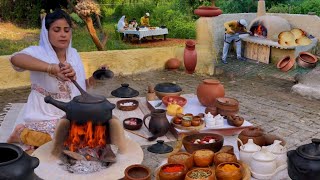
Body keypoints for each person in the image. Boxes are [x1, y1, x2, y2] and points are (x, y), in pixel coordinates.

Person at [6, 9, 98, 148]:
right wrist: (51, 68)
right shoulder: (38, 52)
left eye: (66, 30)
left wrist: (95, 78)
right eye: (56, 30)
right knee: (64, 141)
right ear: (46, 32)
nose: (63, 35)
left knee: (94, 133)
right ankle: (21, 134)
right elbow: (15, 59)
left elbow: (78, 87)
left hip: (70, 109)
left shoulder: (73, 54)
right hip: (45, 112)